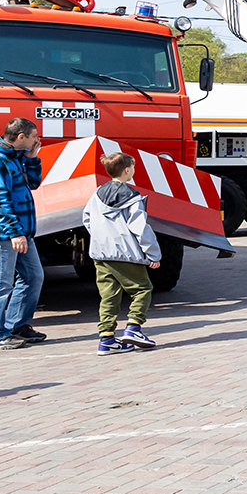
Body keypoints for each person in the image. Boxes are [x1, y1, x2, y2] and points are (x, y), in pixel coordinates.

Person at [0, 117, 46, 350]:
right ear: (21, 137)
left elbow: (32, 184)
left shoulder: (13, 158)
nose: (38, 140)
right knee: (0, 283)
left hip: (20, 231)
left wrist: (32, 159)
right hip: (5, 233)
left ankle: (17, 325)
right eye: (34, 136)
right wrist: (15, 233)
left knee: (33, 276)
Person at [82, 152, 163, 355]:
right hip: (125, 254)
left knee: (108, 296)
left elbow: (87, 218)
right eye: (133, 168)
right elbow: (140, 228)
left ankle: (106, 339)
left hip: (101, 254)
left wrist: (102, 238)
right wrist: (153, 254)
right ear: (127, 170)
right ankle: (134, 328)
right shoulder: (133, 197)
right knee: (142, 289)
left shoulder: (97, 193)